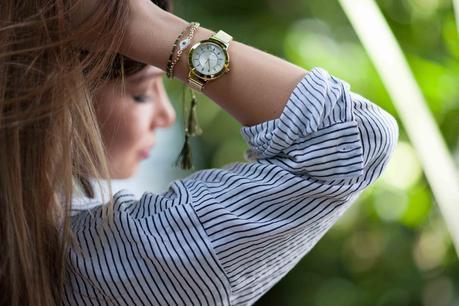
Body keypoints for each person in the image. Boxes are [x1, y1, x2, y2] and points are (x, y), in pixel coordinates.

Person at [0, 0, 399, 305]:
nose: (167, 115)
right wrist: (131, 18)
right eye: (140, 93)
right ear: (62, 99)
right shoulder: (96, 265)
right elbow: (355, 138)